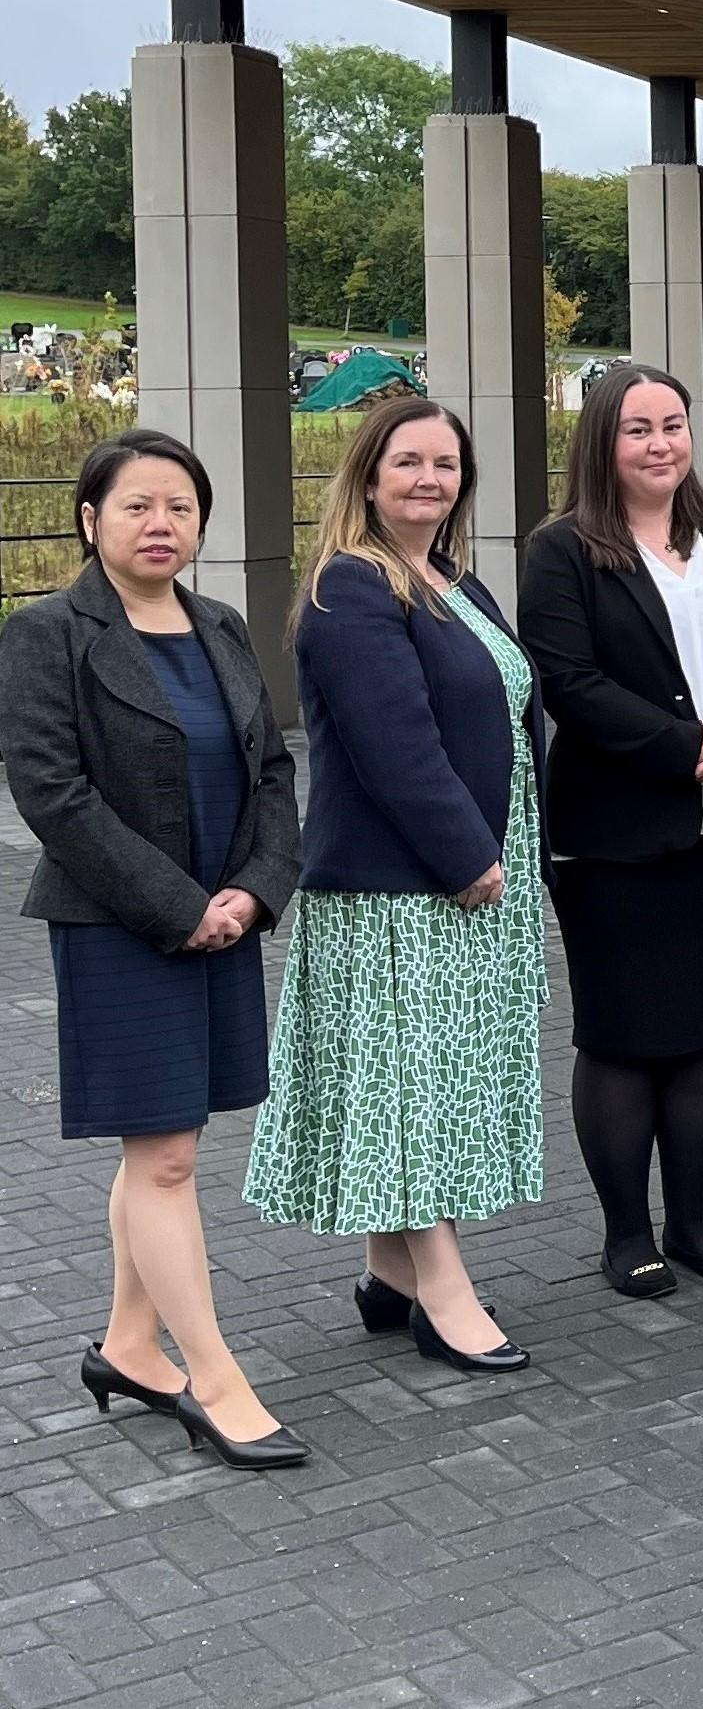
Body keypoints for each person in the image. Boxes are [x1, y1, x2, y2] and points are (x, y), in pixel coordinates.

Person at [0, 431, 305, 1468]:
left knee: (167, 1147)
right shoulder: (48, 633)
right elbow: (53, 792)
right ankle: (212, 1376)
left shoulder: (219, 624)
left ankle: (131, 1343)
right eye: (136, 505)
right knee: (164, 1152)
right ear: (90, 520)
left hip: (226, 917)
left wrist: (256, 892)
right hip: (123, 927)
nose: (160, 522)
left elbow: (273, 770)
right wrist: (181, 906)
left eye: (179, 505)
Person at [244, 399, 544, 1376]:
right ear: (368, 478)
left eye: (445, 463)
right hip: (399, 891)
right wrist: (467, 855)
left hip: (467, 881)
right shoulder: (349, 588)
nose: (427, 477)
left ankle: (389, 1274)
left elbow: (512, 710)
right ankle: (442, 1293)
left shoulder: (453, 582)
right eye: (406, 461)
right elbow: (394, 747)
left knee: (434, 1078)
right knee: (414, 1088)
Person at [519, 365, 703, 1299]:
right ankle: (625, 1233)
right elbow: (567, 680)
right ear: (602, 442)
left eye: (674, 426)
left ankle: (693, 1220)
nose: (660, 444)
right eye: (638, 429)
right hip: (618, 833)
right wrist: (685, 749)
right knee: (622, 1034)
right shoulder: (564, 550)